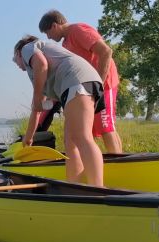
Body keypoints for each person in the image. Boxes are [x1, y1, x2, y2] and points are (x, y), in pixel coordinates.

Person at [13, 35, 104, 187]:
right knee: (70, 143)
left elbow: (41, 64)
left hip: (76, 80)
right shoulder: (38, 75)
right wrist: (28, 139)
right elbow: (37, 110)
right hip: (80, 82)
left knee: (82, 137)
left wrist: (36, 97)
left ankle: (98, 189)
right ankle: (73, 186)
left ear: (18, 53)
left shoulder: (27, 48)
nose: (16, 63)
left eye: (14, 59)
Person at [39, 10, 123, 153]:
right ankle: (92, 165)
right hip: (88, 88)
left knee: (105, 125)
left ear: (54, 26)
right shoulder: (65, 44)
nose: (48, 37)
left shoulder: (77, 30)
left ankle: (120, 166)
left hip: (104, 83)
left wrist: (99, 85)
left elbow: (106, 52)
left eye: (47, 33)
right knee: (86, 130)